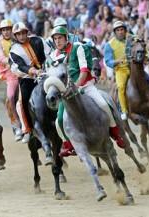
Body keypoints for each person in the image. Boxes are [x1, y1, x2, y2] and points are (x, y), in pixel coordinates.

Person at [50, 26, 125, 157]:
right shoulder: (54, 55)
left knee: (103, 104)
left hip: (85, 86)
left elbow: (84, 70)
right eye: (55, 39)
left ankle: (116, 133)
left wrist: (77, 86)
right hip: (67, 93)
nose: (57, 41)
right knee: (59, 121)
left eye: (60, 38)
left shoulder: (78, 47)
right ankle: (68, 145)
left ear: (66, 38)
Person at [104, 21, 149, 121]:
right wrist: (117, 61)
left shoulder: (132, 38)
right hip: (121, 70)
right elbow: (108, 61)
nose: (120, 32)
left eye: (122, 29)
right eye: (118, 30)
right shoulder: (109, 45)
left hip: (135, 68)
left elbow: (142, 47)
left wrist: (147, 55)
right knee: (120, 87)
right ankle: (123, 111)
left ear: (125, 30)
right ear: (115, 32)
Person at [9, 22, 48, 143]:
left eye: (23, 33)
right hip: (28, 78)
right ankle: (28, 129)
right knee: (23, 101)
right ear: (15, 36)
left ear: (27, 32)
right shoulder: (14, 50)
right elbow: (20, 66)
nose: (21, 36)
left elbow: (49, 54)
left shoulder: (38, 40)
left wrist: (46, 68)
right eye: (18, 34)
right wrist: (34, 71)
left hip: (46, 74)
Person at [0, 19, 23, 141]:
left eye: (8, 30)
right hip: (9, 73)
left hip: (22, 71)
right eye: (4, 30)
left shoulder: (17, 39)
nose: (6, 32)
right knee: (11, 97)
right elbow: (1, 58)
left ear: (11, 30)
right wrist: (13, 62)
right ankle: (16, 126)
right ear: (1, 31)